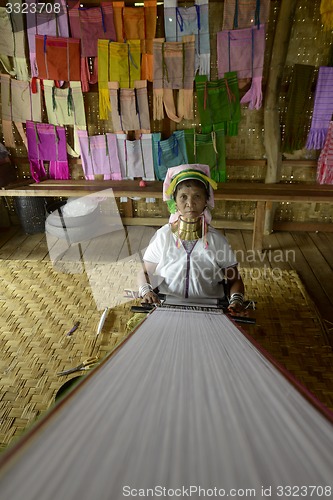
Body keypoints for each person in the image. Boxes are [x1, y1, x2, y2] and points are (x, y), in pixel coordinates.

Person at [138, 164, 245, 312]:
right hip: (167, 304)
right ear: (174, 201)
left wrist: (236, 300)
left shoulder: (217, 240)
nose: (190, 203)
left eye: (197, 196)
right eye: (183, 197)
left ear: (206, 200)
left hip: (210, 307)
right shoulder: (163, 236)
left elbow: (234, 279)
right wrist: (147, 292)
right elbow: (145, 272)